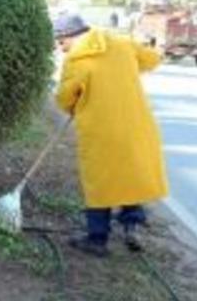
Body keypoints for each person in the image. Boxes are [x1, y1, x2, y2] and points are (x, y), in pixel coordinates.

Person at [53, 13, 168, 257]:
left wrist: (73, 104)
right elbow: (151, 60)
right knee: (129, 176)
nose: (60, 48)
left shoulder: (77, 61)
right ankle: (131, 226)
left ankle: (97, 239)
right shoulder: (122, 44)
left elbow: (64, 98)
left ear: (72, 36)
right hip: (135, 126)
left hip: (100, 131)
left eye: (61, 42)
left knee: (100, 184)